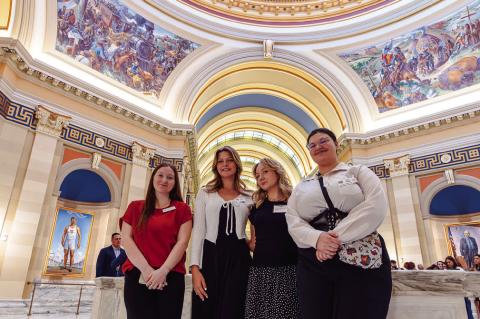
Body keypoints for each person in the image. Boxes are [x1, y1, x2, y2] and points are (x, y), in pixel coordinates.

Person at [286, 128, 392, 319]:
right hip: (314, 258)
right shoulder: (302, 186)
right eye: (312, 145)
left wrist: (332, 239)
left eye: (324, 141)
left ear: (336, 144)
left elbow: (375, 205)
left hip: (359, 253)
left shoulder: (357, 171)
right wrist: (317, 238)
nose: (318, 147)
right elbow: (293, 220)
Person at [120, 164, 193, 319]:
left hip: (171, 277)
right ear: (153, 178)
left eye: (170, 177)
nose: (164, 180)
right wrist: (147, 270)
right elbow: (126, 239)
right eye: (160, 175)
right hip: (138, 274)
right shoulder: (135, 207)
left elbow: (183, 242)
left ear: (175, 183)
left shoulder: (182, 209)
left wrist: (163, 271)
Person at [190, 146, 253, 319]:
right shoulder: (205, 192)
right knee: (206, 308)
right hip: (210, 257)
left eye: (229, 160)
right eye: (220, 161)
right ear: (216, 166)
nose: (225, 164)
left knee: (234, 309)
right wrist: (195, 268)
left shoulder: (250, 196)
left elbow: (256, 228)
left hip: (239, 260)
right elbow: (198, 231)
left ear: (236, 164)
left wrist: (251, 242)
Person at [245, 158, 298, 319]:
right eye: (257, 175)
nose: (261, 177)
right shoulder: (257, 207)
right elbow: (254, 243)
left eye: (265, 172)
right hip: (260, 272)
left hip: (289, 270)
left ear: (277, 171)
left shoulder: (295, 200)